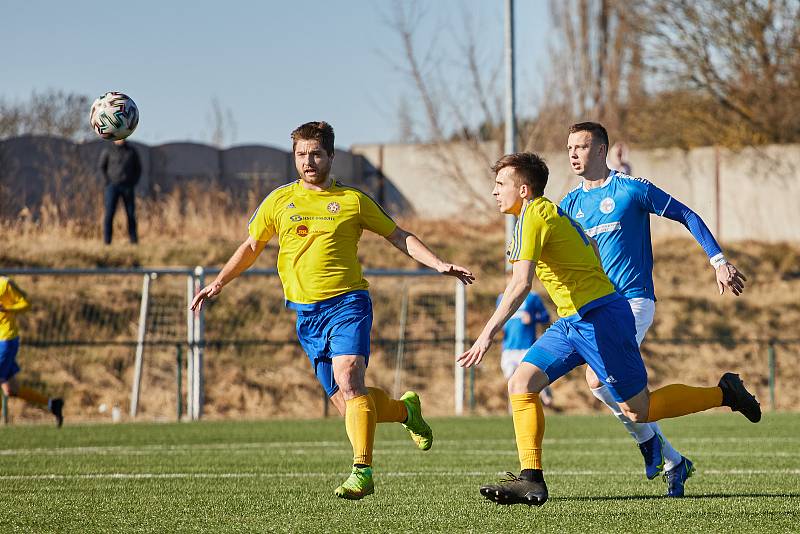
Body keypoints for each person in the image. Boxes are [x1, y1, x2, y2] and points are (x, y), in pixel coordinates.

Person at [190, 121, 474, 500]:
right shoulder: (278, 201)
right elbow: (251, 246)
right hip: (307, 317)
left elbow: (398, 234)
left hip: (348, 304)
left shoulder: (353, 201)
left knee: (349, 376)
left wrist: (438, 263)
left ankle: (362, 472)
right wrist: (220, 281)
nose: (308, 161)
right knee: (348, 403)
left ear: (330, 156)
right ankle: (407, 412)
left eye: (316, 154)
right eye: (301, 155)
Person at [458, 152, 759, 507]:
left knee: (639, 411)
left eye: (500, 184)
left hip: (601, 318)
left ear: (523, 190)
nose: (494, 192)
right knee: (521, 384)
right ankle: (531, 479)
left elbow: (520, 283)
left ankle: (724, 393)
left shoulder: (534, 215)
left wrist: (487, 333)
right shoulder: (551, 211)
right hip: (573, 321)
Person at [560, 122, 748, 497]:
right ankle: (672, 458)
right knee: (601, 387)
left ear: (601, 150)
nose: (573, 155)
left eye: (581, 147)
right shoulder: (568, 205)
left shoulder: (632, 190)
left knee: (598, 381)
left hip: (633, 300)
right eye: (569, 149)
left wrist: (718, 261)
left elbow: (687, 215)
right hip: (593, 307)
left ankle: (654, 445)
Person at [0, 276, 64, 426]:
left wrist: (8, 309)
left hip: (5, 340)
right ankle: (52, 404)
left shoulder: (4, 284)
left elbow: (26, 303)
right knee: (11, 389)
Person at [495, 278, 552, 407]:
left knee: (528, 377)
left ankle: (542, 393)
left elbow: (545, 316)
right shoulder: (502, 298)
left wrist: (533, 318)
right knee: (511, 379)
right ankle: (515, 409)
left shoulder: (532, 297)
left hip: (527, 346)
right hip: (508, 348)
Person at [98, 138, 141, 244]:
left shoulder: (131, 151)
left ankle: (134, 241)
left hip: (127, 187)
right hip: (112, 187)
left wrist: (133, 182)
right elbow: (102, 167)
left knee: (130, 214)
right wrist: (107, 182)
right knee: (109, 214)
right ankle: (107, 242)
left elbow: (138, 168)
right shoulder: (108, 150)